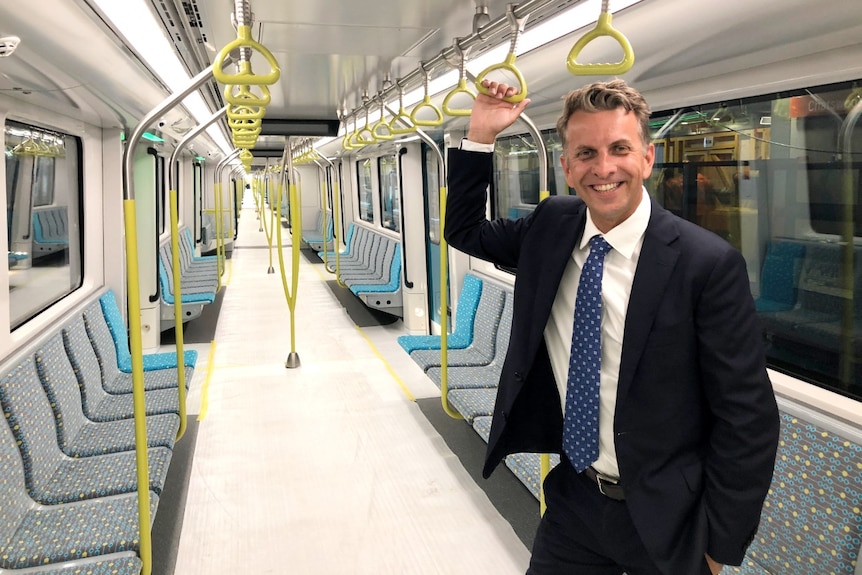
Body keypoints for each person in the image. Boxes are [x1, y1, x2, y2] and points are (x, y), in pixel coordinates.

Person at [444, 79, 779, 575]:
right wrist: (480, 136)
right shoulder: (550, 227)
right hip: (576, 499)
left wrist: (717, 548)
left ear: (647, 157)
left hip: (669, 518)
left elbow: (747, 419)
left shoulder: (705, 265)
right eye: (585, 153)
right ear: (566, 167)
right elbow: (464, 230)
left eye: (619, 148)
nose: (603, 168)